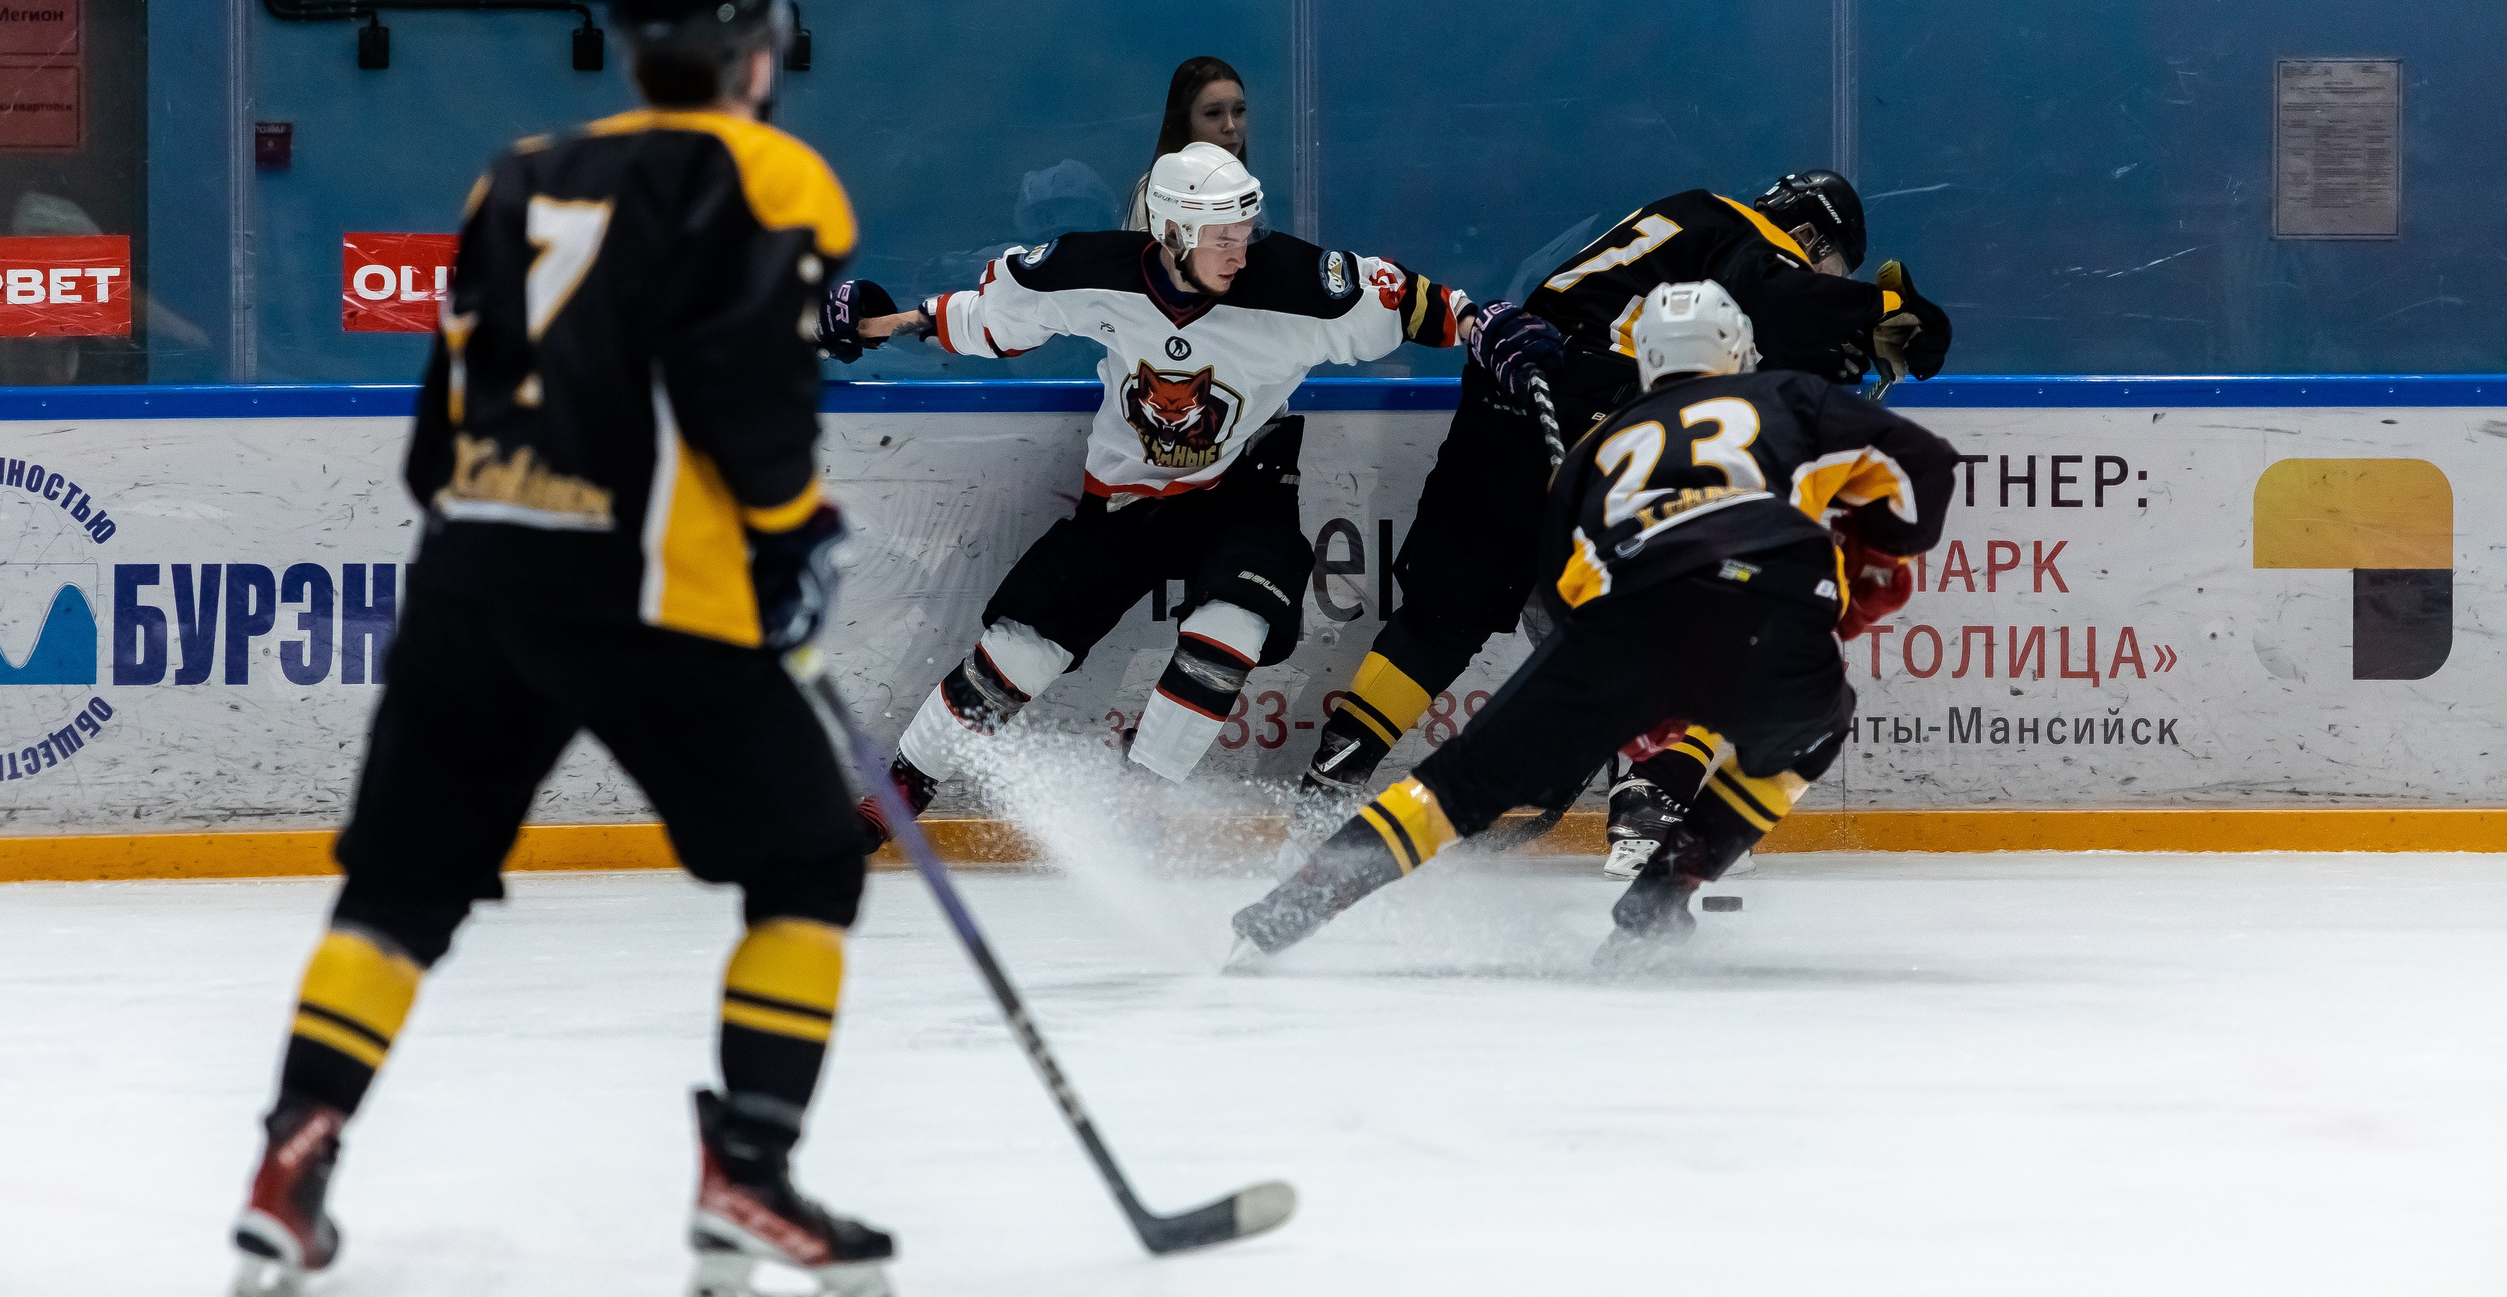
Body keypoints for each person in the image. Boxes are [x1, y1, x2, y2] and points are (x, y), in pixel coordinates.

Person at [228, 0, 895, 1297]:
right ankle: (749, 1175)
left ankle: (290, 1162)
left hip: (472, 576)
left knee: (402, 886)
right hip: (647, 591)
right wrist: (795, 534)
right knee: (812, 864)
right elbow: (744, 379)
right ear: (753, 56)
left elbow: (444, 414)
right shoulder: (772, 171)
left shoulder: (520, 168)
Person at [821, 141, 1562, 840]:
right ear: (1172, 233)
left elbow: (1413, 303)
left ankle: (1139, 799)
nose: (1241, 250)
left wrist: (1479, 319)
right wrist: (882, 323)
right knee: (1016, 652)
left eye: (1245, 230)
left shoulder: (1300, 286)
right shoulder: (1091, 269)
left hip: (1247, 493)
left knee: (1231, 630)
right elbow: (991, 320)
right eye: (1221, 237)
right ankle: (900, 792)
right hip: (1123, 503)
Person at [1231, 280, 1953, 967]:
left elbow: (1566, 588)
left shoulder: (1595, 450)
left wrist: (1626, 691)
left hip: (1621, 622)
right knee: (1815, 728)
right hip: (1774, 605)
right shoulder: (1789, 392)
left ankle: (1286, 912)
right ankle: (1662, 896)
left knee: (1453, 787)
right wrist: (1882, 558)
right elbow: (1921, 460)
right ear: (1738, 349)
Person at [1303, 170, 1952, 869]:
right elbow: (1776, 301)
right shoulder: (1750, 236)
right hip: (1600, 410)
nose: (1823, 275)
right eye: (1830, 265)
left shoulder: (1686, 226)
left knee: (1441, 614)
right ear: (1808, 234)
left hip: (1511, 385)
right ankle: (1648, 805)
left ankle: (1327, 781)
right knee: (1691, 612)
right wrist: (1886, 307)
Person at [1123, 56, 1248, 229]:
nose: (1230, 126)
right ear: (1183, 122)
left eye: (1239, 110)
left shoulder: (1248, 187)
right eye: (1213, 113)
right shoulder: (1154, 191)